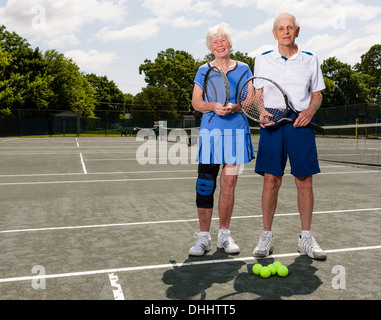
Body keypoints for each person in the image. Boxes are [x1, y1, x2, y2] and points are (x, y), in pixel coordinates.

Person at [252, 13, 326, 260]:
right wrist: (261, 111)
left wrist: (310, 110)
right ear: (274, 33)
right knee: (271, 179)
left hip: (301, 120)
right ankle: (266, 236)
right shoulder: (262, 59)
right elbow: (257, 94)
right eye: (281, 28)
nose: (286, 31)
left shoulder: (310, 58)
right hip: (273, 120)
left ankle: (305, 237)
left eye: (290, 28)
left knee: (304, 180)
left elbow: (317, 94)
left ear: (297, 31)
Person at [189, 23, 255, 256]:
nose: (219, 45)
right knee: (205, 185)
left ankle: (224, 235)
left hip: (236, 133)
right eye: (215, 42)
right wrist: (213, 107)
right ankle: (203, 238)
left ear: (230, 43)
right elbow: (196, 103)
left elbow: (250, 101)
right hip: (211, 134)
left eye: (223, 40)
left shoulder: (245, 68)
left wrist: (237, 106)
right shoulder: (203, 70)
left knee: (229, 186)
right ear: (210, 46)